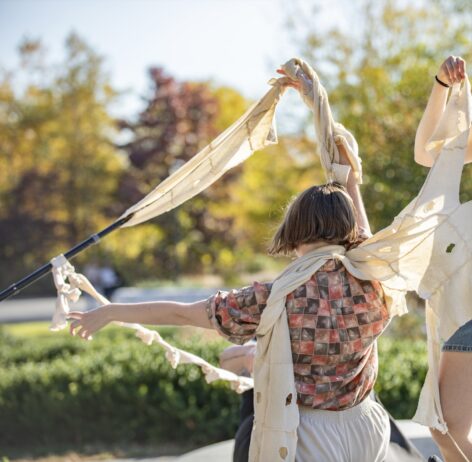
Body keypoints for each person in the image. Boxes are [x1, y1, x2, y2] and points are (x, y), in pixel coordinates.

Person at [67, 84, 393, 461]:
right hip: (368, 423)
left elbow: (181, 312)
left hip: (309, 433)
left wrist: (109, 312)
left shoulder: (274, 298)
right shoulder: (372, 276)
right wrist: (320, 108)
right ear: (350, 227)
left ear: (295, 228)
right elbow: (356, 206)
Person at [414, 55, 472, 462]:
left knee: (446, 427)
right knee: (442, 427)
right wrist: (442, 86)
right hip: (461, 310)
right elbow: (425, 152)